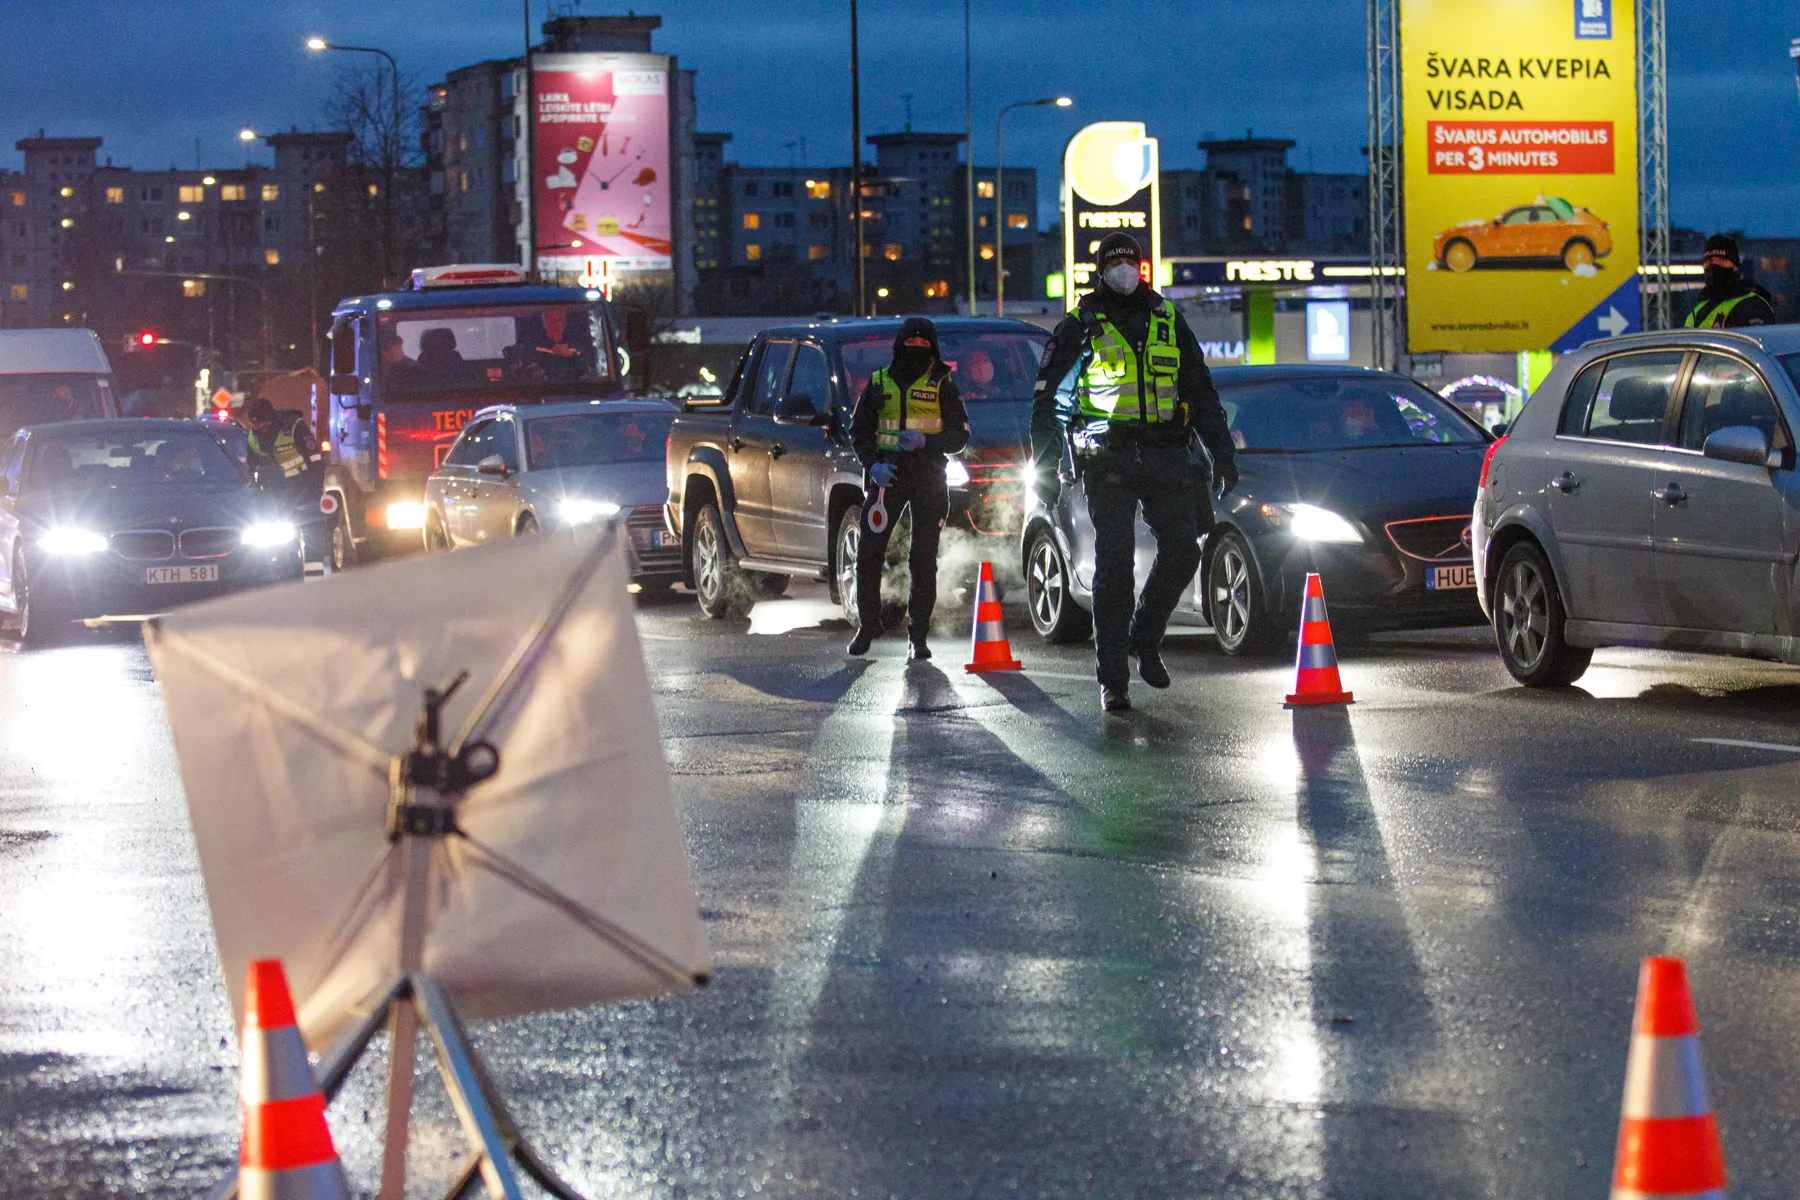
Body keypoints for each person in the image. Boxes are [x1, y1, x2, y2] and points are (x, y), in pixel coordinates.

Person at [1030, 232, 1237, 712]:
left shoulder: (1168, 319)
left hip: (1166, 453)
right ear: (1101, 270)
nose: (1125, 270)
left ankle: (1144, 638)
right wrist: (1045, 466)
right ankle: (1113, 681)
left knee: (1185, 551)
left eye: (1131, 262)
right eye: (1115, 262)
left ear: (1142, 267)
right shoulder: (1079, 325)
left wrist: (1222, 453)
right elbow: (1048, 404)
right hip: (1109, 458)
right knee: (1116, 563)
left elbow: (1202, 393)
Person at [847, 317, 971, 660]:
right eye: (910, 344)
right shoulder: (878, 383)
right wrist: (873, 465)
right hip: (888, 478)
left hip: (929, 477)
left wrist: (926, 442)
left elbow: (960, 435)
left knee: (923, 558)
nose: (916, 350)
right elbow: (859, 432)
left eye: (923, 345)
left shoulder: (942, 382)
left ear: (932, 348)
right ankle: (867, 625)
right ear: (898, 345)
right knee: (869, 553)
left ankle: (918, 636)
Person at [243, 396, 326, 549]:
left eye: (257, 422)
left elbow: (315, 460)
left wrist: (315, 489)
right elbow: (251, 466)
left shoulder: (294, 427)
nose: (254, 427)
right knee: (281, 533)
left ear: (268, 420)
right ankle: (285, 561)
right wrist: (255, 489)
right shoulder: (253, 437)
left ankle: (315, 559)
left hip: (302, 485)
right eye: (252, 423)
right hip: (274, 491)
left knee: (309, 525)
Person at [1685, 234, 1775, 328]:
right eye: (1709, 261)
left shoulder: (1752, 306)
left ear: (1735, 267)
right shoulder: (1697, 311)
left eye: (1721, 260)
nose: (1714, 266)